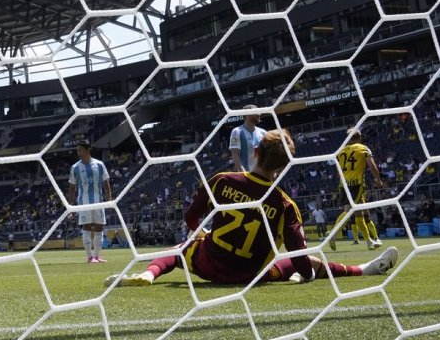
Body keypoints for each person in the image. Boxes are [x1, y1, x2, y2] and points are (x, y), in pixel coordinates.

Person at [108, 130, 398, 288]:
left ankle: (149, 274)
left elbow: (190, 216)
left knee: (178, 249)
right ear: (285, 166)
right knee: (307, 260)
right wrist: (306, 275)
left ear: (256, 152)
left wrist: (201, 232)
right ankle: (362, 270)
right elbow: (298, 259)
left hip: (208, 265)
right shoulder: (285, 204)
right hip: (251, 275)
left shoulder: (222, 180)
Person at [329, 127, 384, 251]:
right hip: (356, 184)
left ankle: (369, 242)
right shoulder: (363, 148)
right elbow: (372, 166)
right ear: (360, 137)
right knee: (350, 211)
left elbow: (338, 171)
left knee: (358, 213)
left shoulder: (341, 151)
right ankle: (333, 235)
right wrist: (378, 180)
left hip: (344, 184)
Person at [68, 140, 112, 263]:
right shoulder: (75, 167)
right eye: (78, 150)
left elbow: (106, 182)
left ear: (88, 150)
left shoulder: (99, 164)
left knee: (99, 227)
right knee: (86, 226)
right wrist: (70, 205)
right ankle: (89, 257)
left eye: (81, 150)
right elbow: (72, 187)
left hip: (99, 201)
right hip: (84, 202)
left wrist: (109, 198)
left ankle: (96, 256)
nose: (79, 153)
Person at [230, 105, 266, 172]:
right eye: (256, 112)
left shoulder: (263, 132)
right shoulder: (237, 132)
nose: (259, 114)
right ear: (247, 115)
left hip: (262, 174)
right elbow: (235, 154)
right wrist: (243, 174)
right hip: (247, 174)